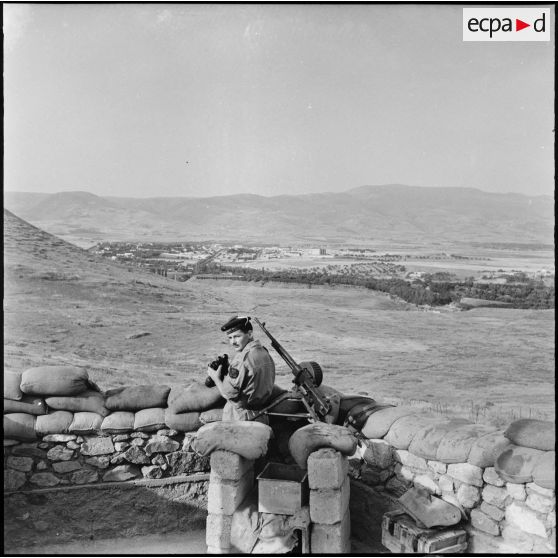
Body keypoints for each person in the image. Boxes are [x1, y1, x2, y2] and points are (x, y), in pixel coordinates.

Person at [207, 315, 275, 422]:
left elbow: (228, 394)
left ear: (249, 334)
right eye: (230, 338)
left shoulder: (241, 360)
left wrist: (215, 377)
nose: (233, 342)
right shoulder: (264, 352)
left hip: (241, 418)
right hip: (262, 415)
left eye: (237, 336)